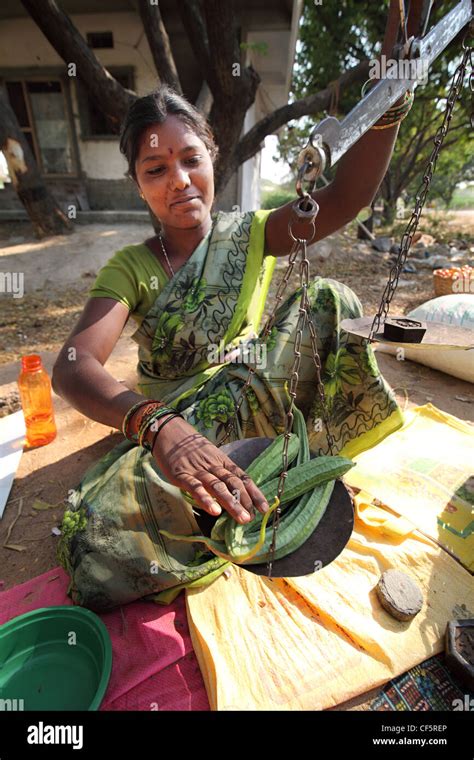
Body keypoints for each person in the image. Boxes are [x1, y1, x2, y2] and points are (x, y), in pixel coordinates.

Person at [52, 83, 410, 612]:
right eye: (155, 170)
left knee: (330, 298)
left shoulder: (254, 234)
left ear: (213, 159)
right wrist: (159, 428)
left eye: (191, 159)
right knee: (93, 534)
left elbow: (347, 199)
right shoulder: (132, 268)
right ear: (138, 185)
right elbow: (73, 366)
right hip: (182, 430)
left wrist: (391, 93)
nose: (179, 181)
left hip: (254, 388)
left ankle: (270, 470)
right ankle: (256, 475)